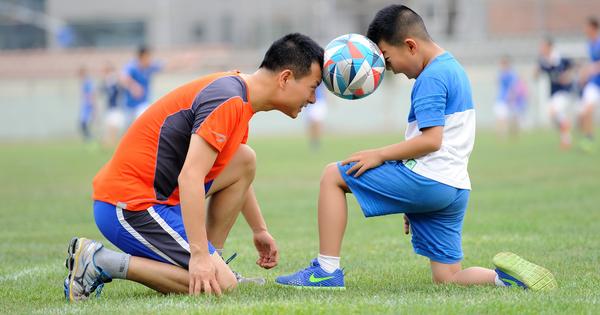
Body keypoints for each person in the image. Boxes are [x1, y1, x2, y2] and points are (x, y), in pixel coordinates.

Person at [276, 5, 557, 291]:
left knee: (332, 176)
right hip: (454, 187)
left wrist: (379, 155)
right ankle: (505, 280)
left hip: (428, 180)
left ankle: (326, 270)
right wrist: (412, 200)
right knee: (447, 277)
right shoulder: (453, 68)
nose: (388, 69)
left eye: (386, 58)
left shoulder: (430, 78)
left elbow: (431, 140)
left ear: (410, 46)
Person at [63, 33, 324, 301]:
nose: (314, 99)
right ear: (285, 78)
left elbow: (232, 170)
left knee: (244, 158)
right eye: (313, 87)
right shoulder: (229, 99)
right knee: (221, 286)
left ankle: (216, 263)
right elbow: (191, 177)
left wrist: (259, 229)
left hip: (158, 201)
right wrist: (199, 256)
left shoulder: (240, 97)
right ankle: (98, 262)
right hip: (128, 205)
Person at [536, 38, 575, 149]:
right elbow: (537, 73)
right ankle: (566, 137)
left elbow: (573, 68)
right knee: (554, 116)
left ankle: (566, 134)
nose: (541, 49)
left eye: (543, 47)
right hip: (553, 93)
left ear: (550, 47)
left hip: (564, 92)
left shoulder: (561, 59)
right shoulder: (543, 61)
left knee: (554, 112)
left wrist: (568, 75)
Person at [121, 46, 163, 126]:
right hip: (129, 104)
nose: (150, 59)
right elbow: (123, 77)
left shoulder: (150, 66)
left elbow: (166, 66)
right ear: (142, 56)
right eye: (148, 56)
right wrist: (133, 86)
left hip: (143, 103)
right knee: (128, 128)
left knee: (144, 121)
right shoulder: (132, 66)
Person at [577, 17, 600, 152]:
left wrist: (589, 70)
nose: (585, 29)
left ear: (594, 28)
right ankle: (588, 138)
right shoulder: (589, 44)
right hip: (594, 84)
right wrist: (584, 73)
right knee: (585, 112)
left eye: (587, 27)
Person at [495, 56, 527, 138]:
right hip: (501, 99)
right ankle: (502, 135)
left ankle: (514, 134)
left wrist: (512, 97)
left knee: (513, 118)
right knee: (501, 117)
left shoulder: (512, 74)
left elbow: (513, 86)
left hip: (510, 99)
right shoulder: (501, 73)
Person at [100, 62, 125, 148]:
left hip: (116, 107)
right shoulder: (107, 83)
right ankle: (108, 142)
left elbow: (120, 90)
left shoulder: (115, 83)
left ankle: (111, 142)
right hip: (111, 107)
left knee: (115, 126)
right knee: (111, 126)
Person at [303, 83, 328, 150]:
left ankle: (316, 141)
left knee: (317, 123)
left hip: (319, 101)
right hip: (310, 102)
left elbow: (324, 89)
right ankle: (313, 141)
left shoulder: (321, 78)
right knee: (311, 123)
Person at [78, 66, 96, 142]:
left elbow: (91, 94)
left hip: (88, 106)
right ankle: (88, 139)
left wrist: (93, 107)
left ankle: (90, 139)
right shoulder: (85, 82)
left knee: (84, 124)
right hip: (85, 106)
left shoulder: (87, 82)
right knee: (83, 125)